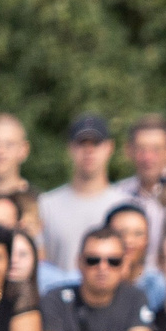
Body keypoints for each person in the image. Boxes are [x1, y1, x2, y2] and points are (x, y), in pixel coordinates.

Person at [110, 114, 166, 269]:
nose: (147, 157)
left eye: (156, 149)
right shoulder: (117, 195)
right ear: (129, 151)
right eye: (141, 149)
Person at [38, 114, 124, 266]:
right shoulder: (46, 205)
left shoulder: (124, 205)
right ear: (70, 148)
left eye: (96, 143)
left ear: (110, 147)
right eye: (82, 143)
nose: (89, 150)